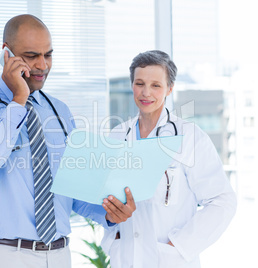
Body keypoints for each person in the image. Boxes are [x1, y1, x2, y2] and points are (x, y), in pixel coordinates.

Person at [0, 14, 135, 268]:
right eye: (31, 56)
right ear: (6, 54)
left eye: (47, 55)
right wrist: (18, 99)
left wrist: (109, 212)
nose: (42, 65)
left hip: (59, 254)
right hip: (4, 256)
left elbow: (73, 189)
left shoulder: (58, 111)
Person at [101, 50, 237, 268]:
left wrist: (179, 245)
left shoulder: (189, 137)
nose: (146, 92)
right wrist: (112, 235)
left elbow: (223, 200)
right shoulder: (117, 136)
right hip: (125, 257)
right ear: (131, 85)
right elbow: (106, 198)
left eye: (156, 85)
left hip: (169, 260)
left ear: (169, 88)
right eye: (139, 83)